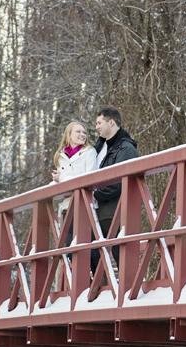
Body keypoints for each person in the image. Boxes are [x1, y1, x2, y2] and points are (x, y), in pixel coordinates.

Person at [92, 107, 138, 271]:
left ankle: (129, 292)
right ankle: (97, 291)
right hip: (97, 209)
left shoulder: (126, 149)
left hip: (115, 210)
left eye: (99, 122)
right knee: (88, 251)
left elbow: (119, 183)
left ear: (111, 122)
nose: (96, 127)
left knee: (121, 254)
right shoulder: (99, 146)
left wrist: (94, 194)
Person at [52, 122, 98, 251]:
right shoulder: (60, 156)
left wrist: (61, 178)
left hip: (85, 206)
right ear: (69, 135)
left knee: (91, 252)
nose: (82, 134)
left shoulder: (89, 152)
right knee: (70, 251)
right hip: (67, 207)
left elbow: (88, 181)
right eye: (78, 132)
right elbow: (62, 185)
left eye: (84, 132)